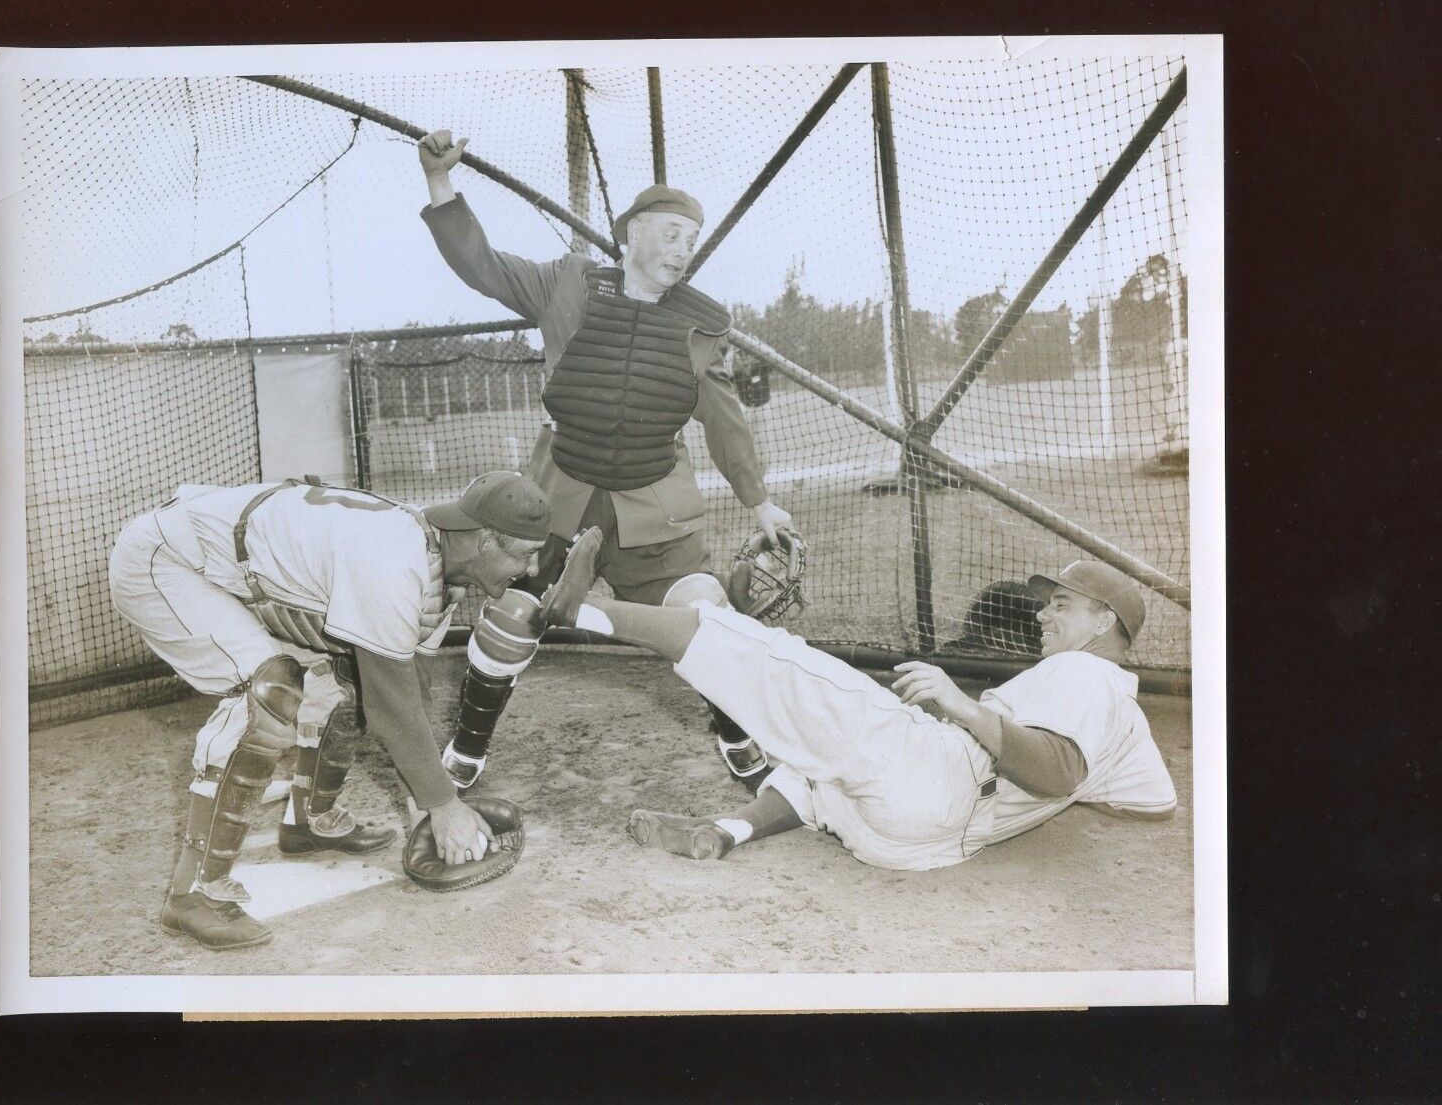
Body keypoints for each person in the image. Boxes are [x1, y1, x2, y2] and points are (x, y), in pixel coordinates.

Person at [416, 128, 794, 792]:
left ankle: (734, 733)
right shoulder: (568, 285)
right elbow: (483, 265)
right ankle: (468, 747)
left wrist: (759, 501)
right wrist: (440, 182)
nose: (684, 248)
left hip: (656, 507)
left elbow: (725, 421)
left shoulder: (701, 323)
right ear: (633, 235)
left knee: (705, 617)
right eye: (671, 232)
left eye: (691, 238)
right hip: (559, 498)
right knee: (512, 614)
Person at [108, 470, 596, 949]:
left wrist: (427, 804)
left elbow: (410, 693)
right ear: (486, 541)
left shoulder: (438, 570)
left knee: (349, 679)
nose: (531, 572)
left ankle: (309, 822)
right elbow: (392, 707)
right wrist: (445, 807)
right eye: (527, 554)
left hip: (229, 567)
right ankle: (192, 896)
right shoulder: (393, 565)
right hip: (166, 562)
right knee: (268, 692)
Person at [552, 552, 1176, 871]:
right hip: (919, 845)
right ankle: (728, 830)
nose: (1042, 614)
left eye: (1062, 605)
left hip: (943, 775)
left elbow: (1061, 771)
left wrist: (959, 705)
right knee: (822, 763)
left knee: (785, 665)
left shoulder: (1082, 673)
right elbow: (1154, 802)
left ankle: (578, 612)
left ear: (1104, 624)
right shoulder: (1126, 713)